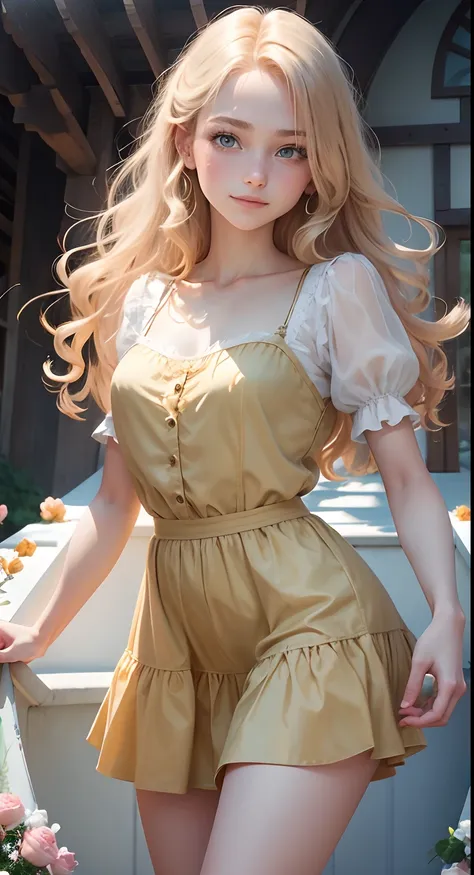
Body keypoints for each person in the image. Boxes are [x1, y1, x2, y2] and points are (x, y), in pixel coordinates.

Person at [0, 8, 469, 875]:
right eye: (230, 137)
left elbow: (407, 481)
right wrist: (28, 627)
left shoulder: (339, 288)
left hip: (310, 628)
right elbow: (113, 502)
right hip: (176, 648)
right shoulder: (141, 302)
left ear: (320, 162)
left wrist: (447, 612)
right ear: (183, 140)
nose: (257, 173)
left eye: (291, 149)